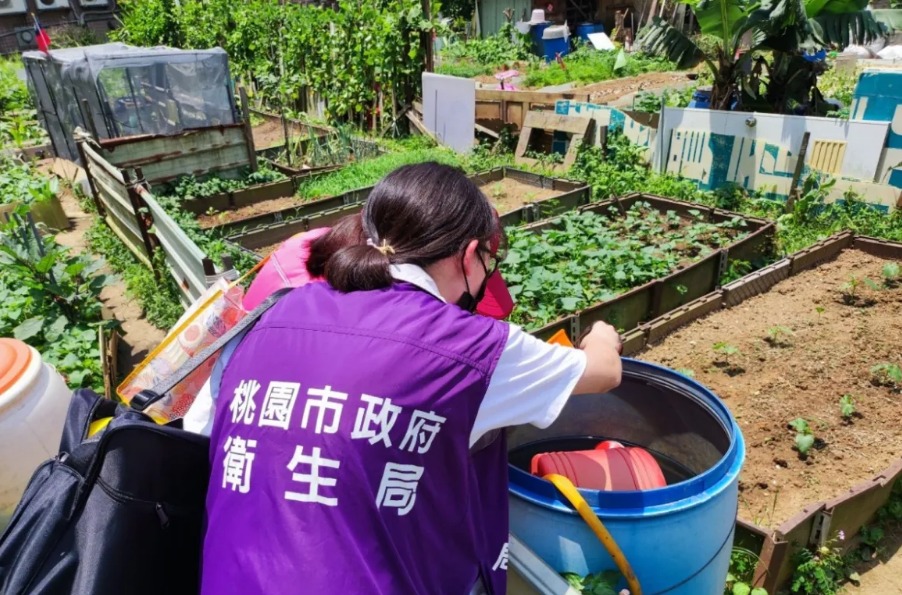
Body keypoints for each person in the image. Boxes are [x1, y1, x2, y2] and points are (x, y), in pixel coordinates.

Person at [196, 162, 622, 595]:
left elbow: (206, 431)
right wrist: (602, 335)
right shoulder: (467, 345)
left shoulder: (273, 313)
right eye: (491, 263)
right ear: (470, 255)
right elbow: (605, 373)